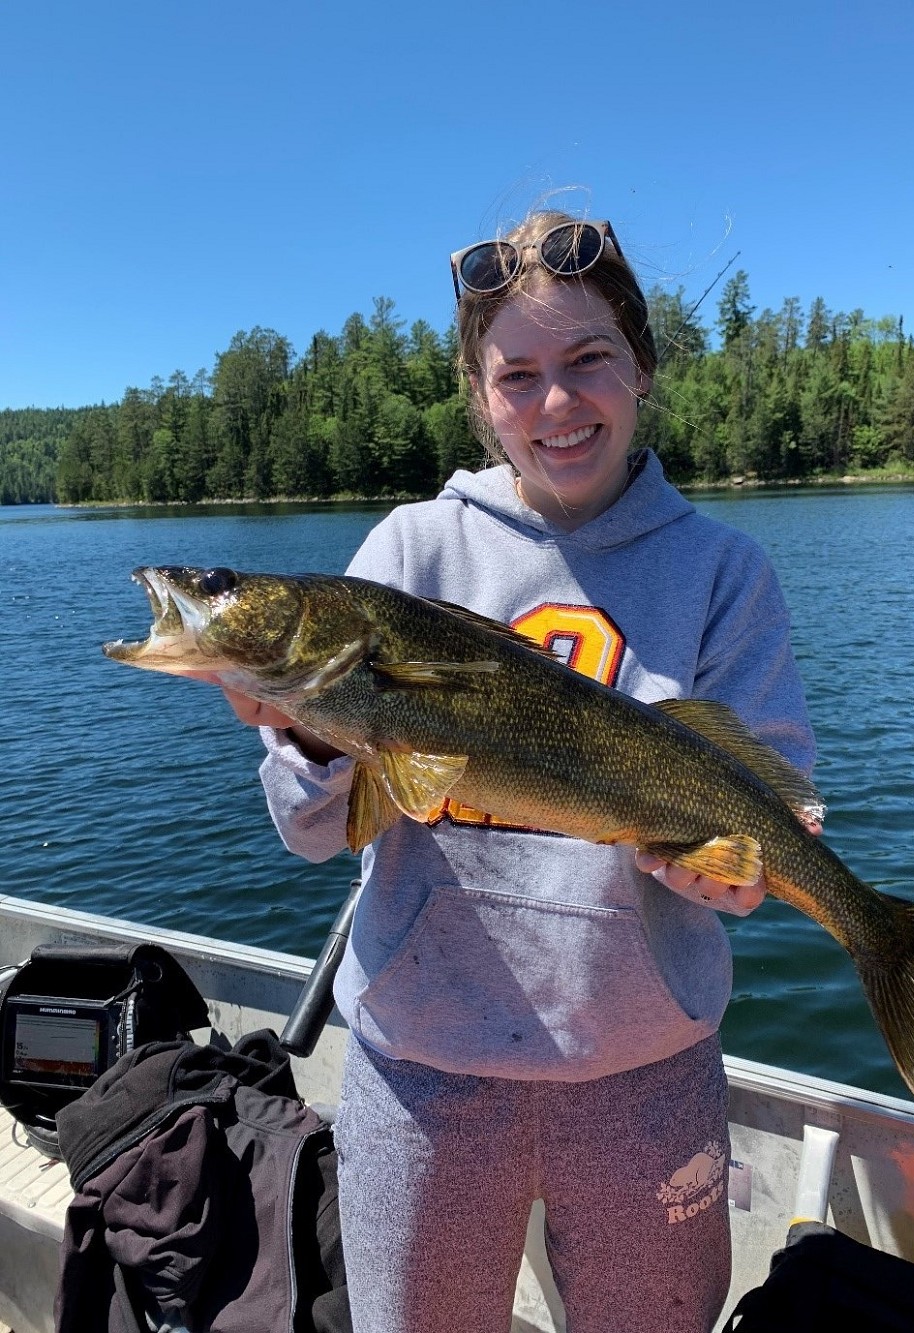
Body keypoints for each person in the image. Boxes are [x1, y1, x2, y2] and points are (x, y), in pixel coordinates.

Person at [221, 211, 818, 1333]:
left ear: (640, 366)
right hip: (423, 1076)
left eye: (588, 360)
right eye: (518, 375)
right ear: (479, 391)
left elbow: (767, 803)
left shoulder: (723, 572)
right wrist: (303, 736)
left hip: (647, 1073)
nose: (556, 404)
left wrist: (735, 871)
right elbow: (311, 835)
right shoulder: (406, 554)